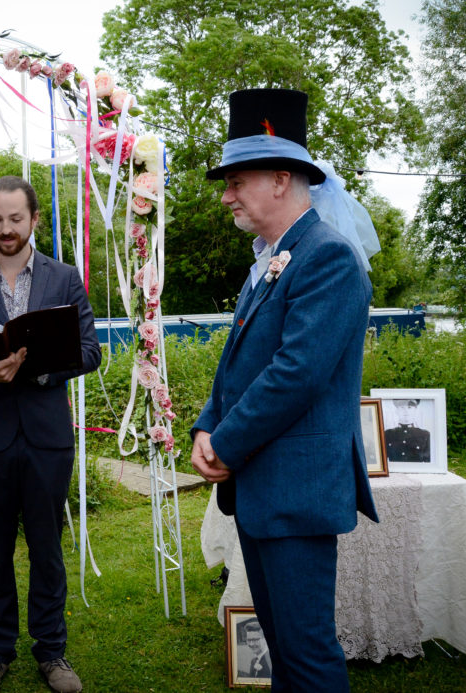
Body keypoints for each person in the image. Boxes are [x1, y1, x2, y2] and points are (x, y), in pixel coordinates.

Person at [190, 89, 378, 692]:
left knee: (307, 653)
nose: (226, 195)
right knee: (282, 649)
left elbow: (296, 374)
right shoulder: (273, 258)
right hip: (264, 489)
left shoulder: (328, 258)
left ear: (279, 178)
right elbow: (239, 364)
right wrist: (204, 423)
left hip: (296, 490)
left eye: (235, 181)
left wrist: (225, 443)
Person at [0, 176, 101, 693]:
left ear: (35, 220)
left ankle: (52, 653)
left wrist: (42, 370)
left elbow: (91, 350)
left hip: (46, 434)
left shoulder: (65, 277)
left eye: (15, 219)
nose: (5, 229)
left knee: (47, 548)